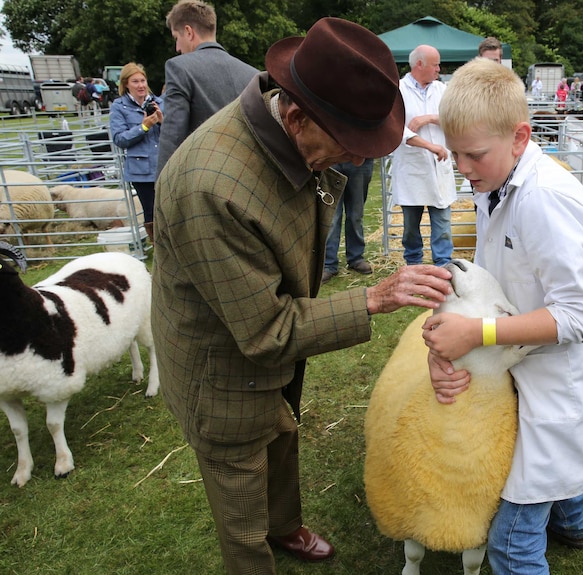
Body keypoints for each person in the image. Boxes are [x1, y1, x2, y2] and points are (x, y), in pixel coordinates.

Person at [152, 18, 454, 575]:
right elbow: (265, 331)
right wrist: (372, 299)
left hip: (266, 359)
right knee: (241, 488)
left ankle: (285, 526)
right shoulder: (212, 188)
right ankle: (257, 550)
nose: (359, 162)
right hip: (221, 371)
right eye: (349, 146)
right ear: (294, 114)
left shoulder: (288, 140)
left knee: (283, 433)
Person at [424, 57, 583, 575]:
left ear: (520, 136)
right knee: (556, 469)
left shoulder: (545, 201)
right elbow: (494, 277)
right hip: (522, 364)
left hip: (561, 379)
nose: (463, 168)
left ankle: (561, 519)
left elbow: (578, 317)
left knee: (509, 543)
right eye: (457, 154)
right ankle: (573, 523)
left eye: (474, 155)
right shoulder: (496, 183)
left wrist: (477, 331)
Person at [156, 0, 259, 176]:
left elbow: (173, 135)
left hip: (204, 181)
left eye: (176, 38)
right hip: (249, 179)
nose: (177, 48)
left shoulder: (179, 68)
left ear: (188, 32)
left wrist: (162, 188)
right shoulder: (253, 74)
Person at [390, 44, 456, 266]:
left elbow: (454, 117)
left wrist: (428, 118)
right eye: (435, 64)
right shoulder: (398, 90)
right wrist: (431, 146)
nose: (439, 69)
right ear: (420, 64)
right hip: (412, 168)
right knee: (410, 226)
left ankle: (443, 265)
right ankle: (414, 264)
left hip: (439, 168)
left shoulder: (442, 89)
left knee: (442, 222)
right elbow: (396, 129)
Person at [109, 63, 163, 243]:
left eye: (142, 80)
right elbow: (119, 138)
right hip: (142, 171)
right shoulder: (119, 107)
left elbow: (177, 133)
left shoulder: (160, 102)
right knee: (151, 212)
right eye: (135, 81)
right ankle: (159, 249)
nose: (140, 85)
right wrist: (144, 127)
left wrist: (163, 122)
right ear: (126, 84)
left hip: (165, 164)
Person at [322, 158, 375, 282]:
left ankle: (356, 258)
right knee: (332, 216)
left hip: (361, 159)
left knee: (355, 216)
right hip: (331, 159)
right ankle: (328, 263)